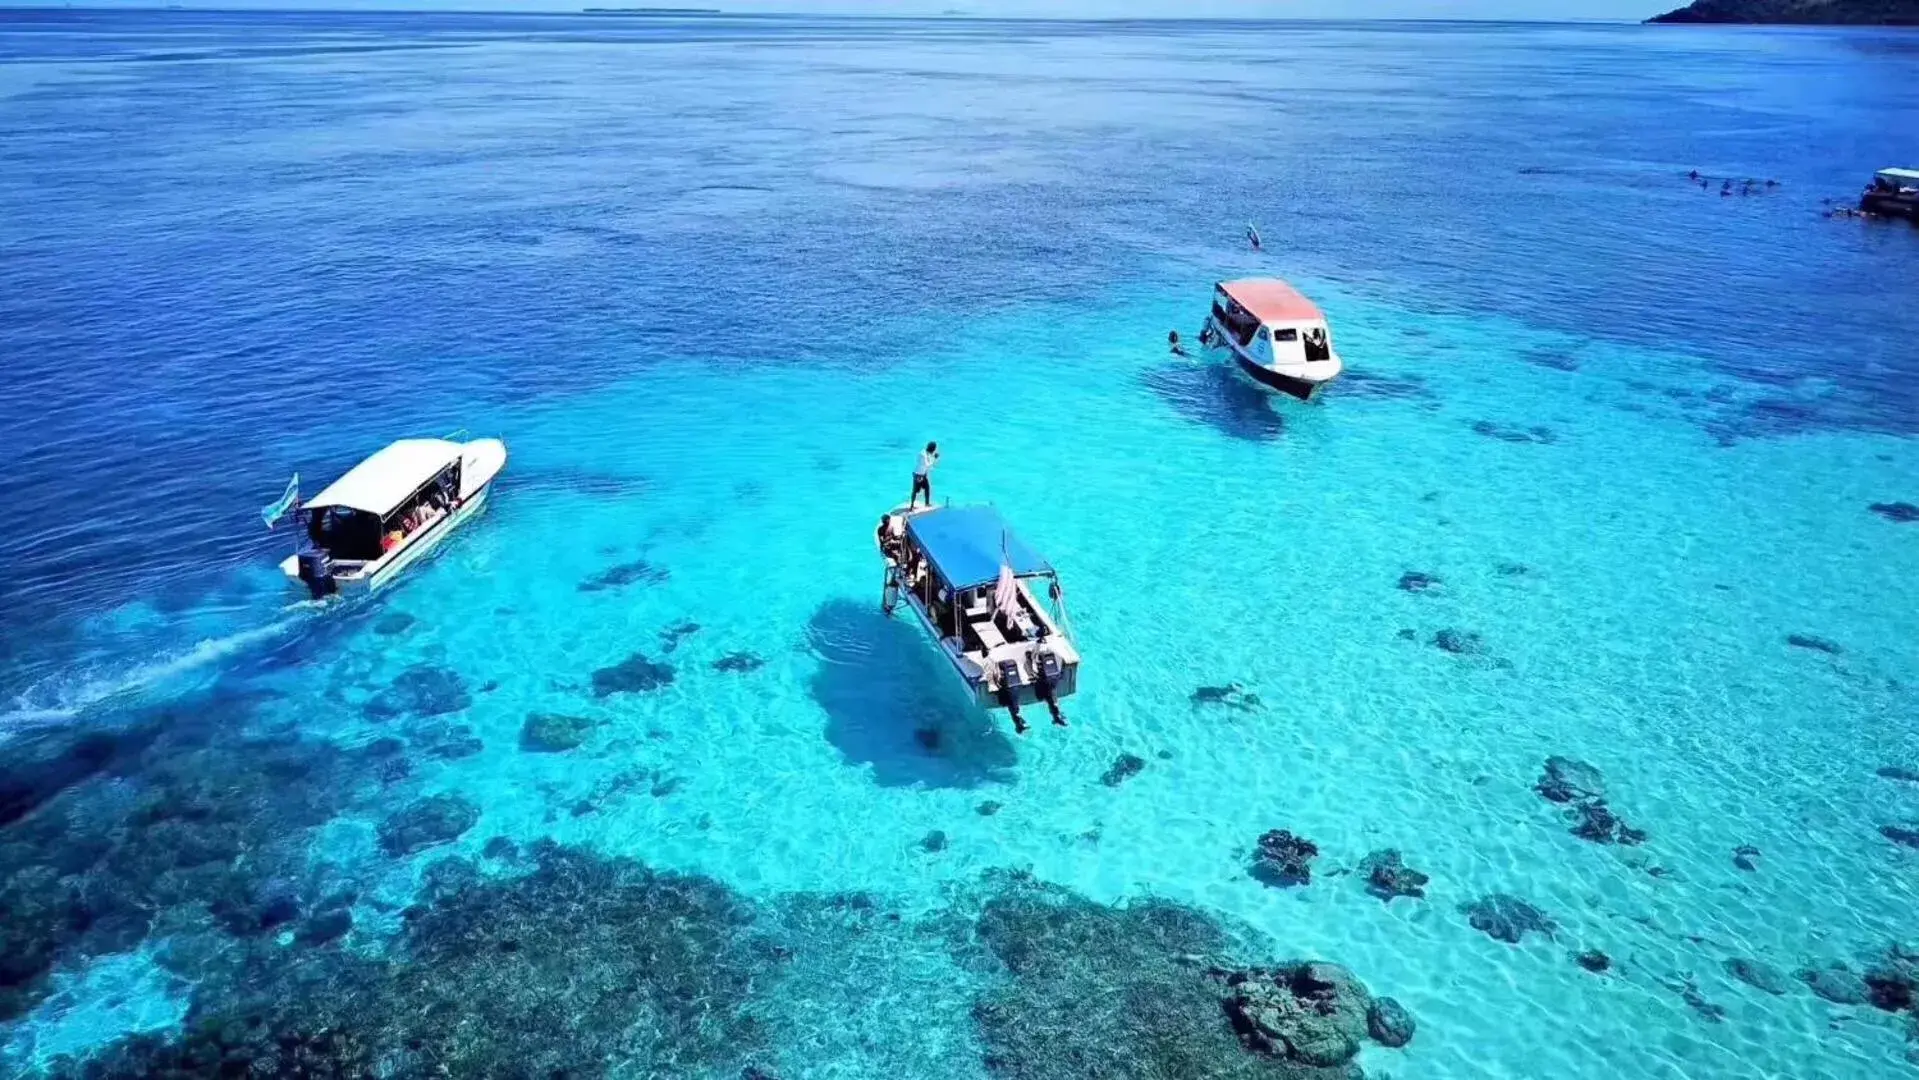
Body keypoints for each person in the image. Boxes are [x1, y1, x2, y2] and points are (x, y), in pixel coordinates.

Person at [910, 441, 938, 508]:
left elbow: (928, 464)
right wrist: (934, 458)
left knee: (927, 488)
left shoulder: (926, 453)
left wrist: (933, 458)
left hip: (923, 474)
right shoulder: (923, 455)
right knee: (915, 491)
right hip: (918, 475)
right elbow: (927, 465)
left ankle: (927, 503)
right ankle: (912, 505)